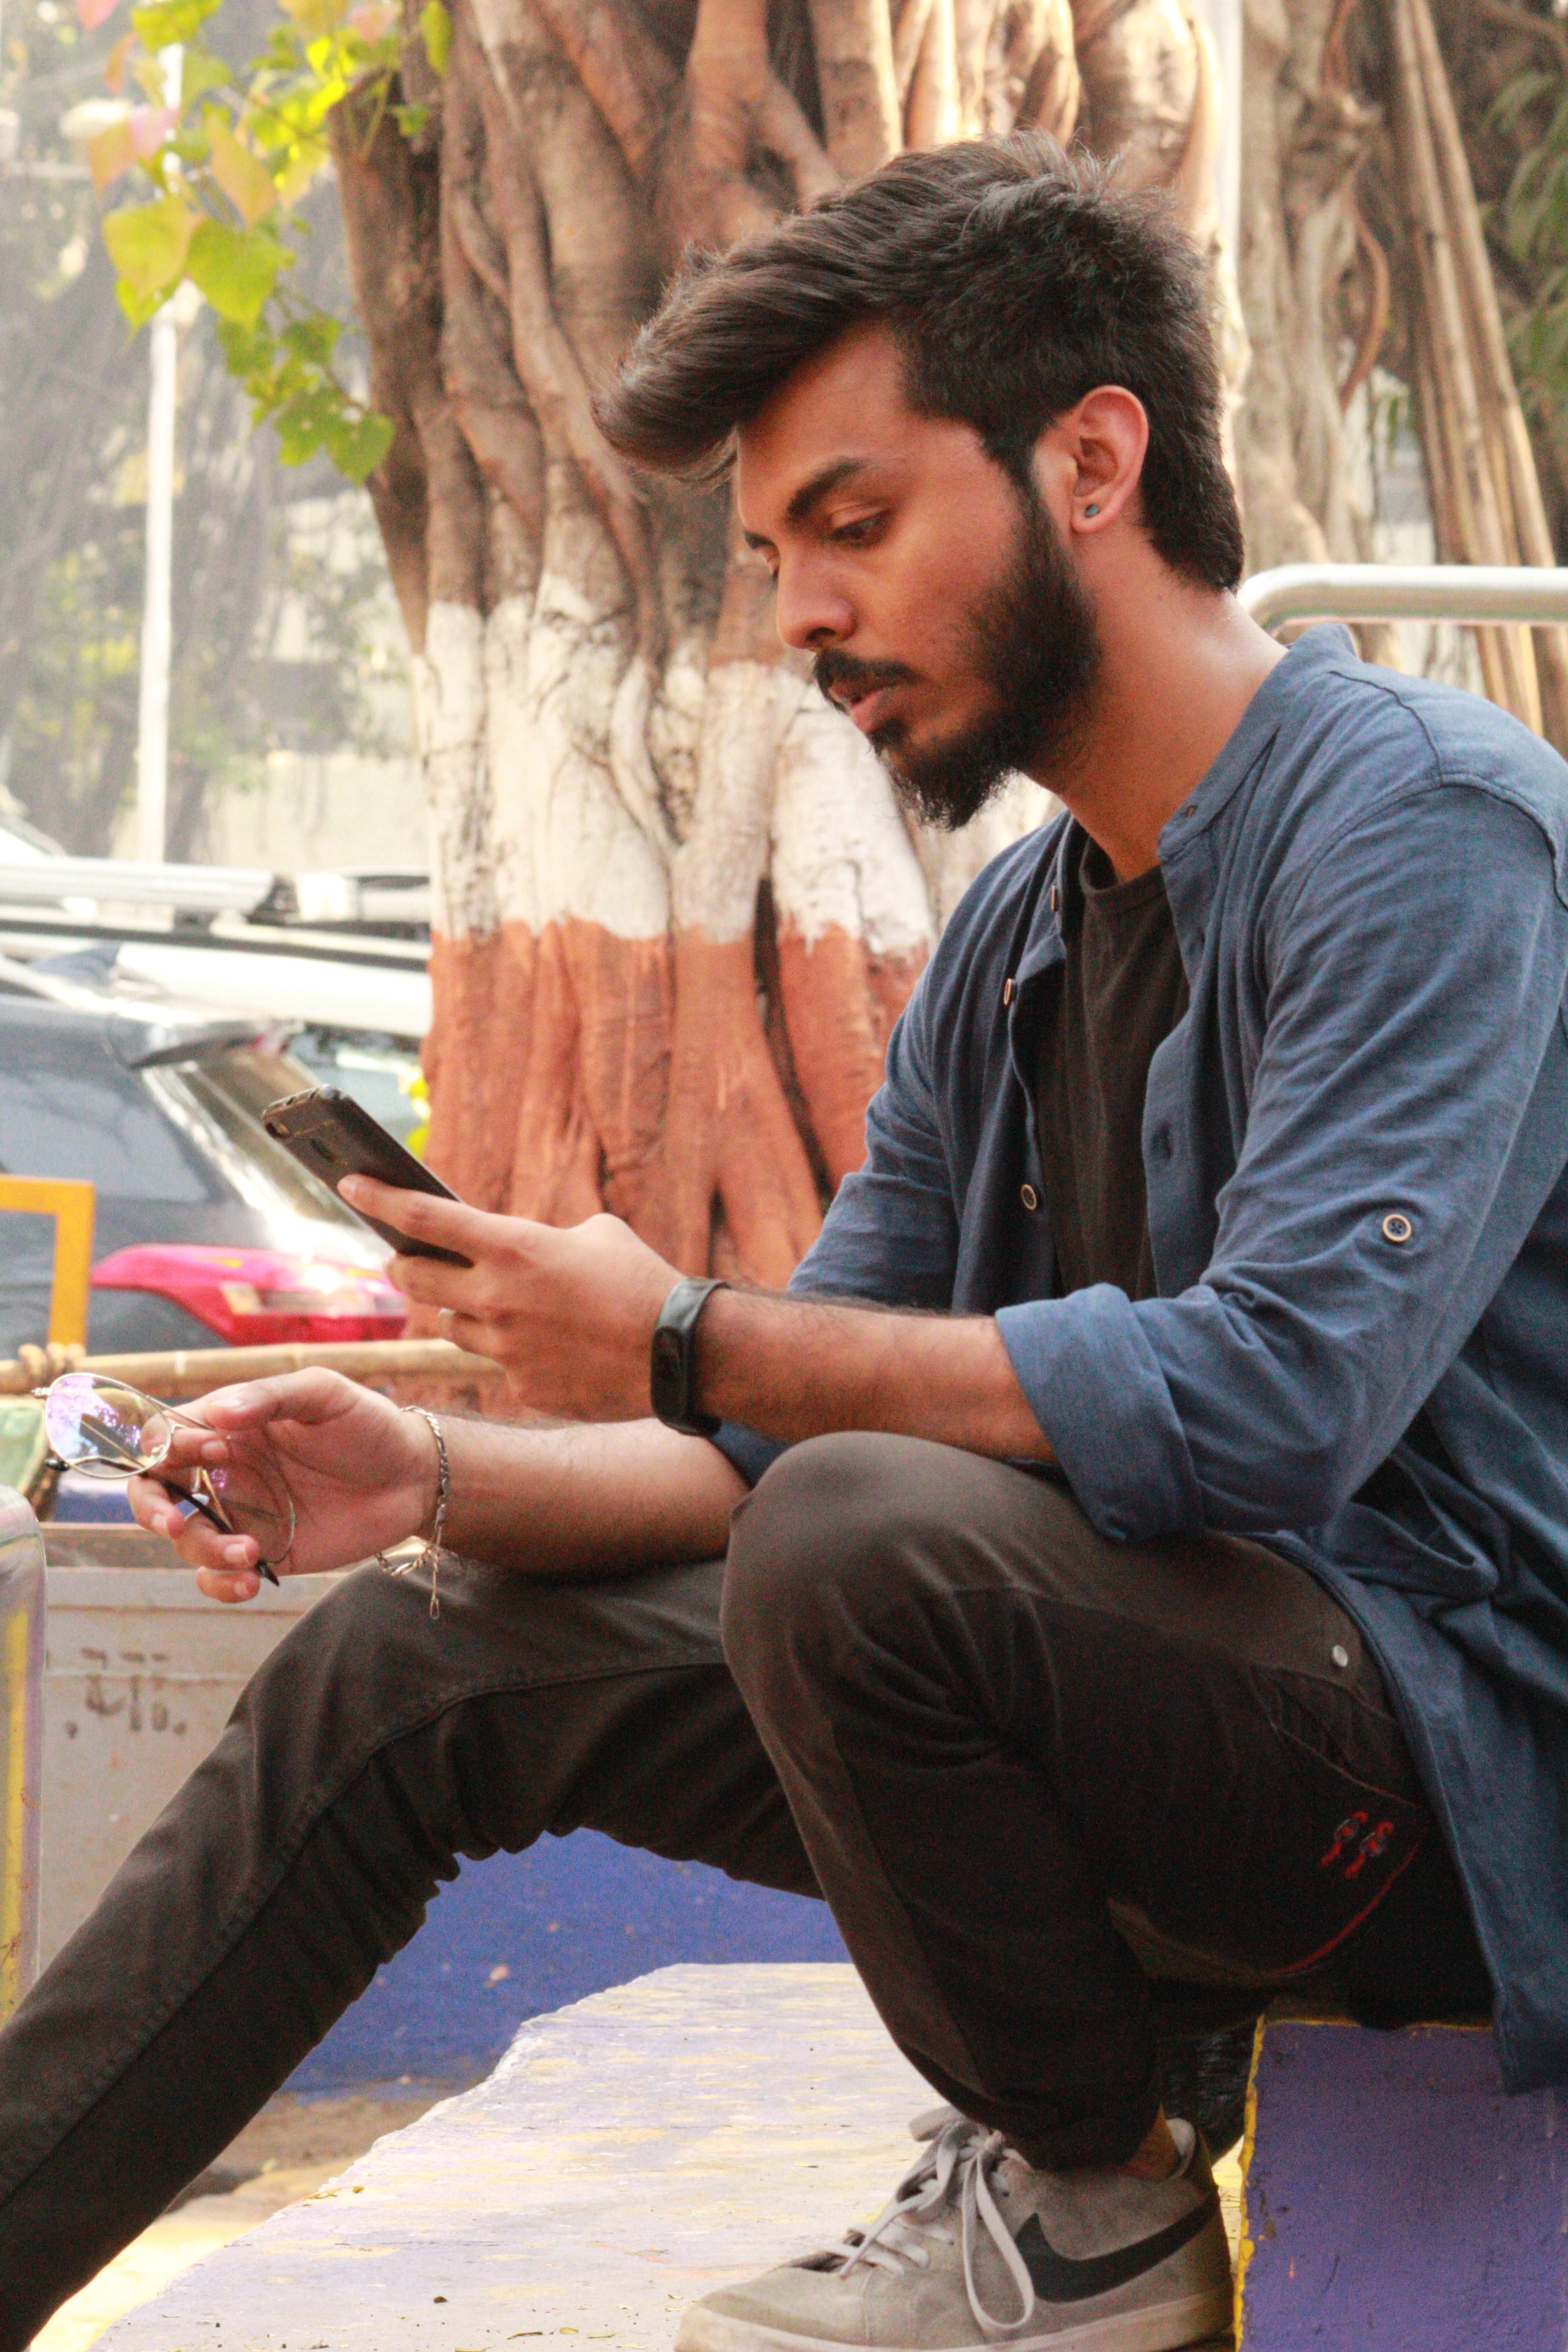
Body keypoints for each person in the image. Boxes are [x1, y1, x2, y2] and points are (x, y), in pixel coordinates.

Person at [4, 131, 1567, 2352]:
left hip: (1458, 1797)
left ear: (1092, 462)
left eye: (854, 522)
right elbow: (762, 1431)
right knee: (410, 1658)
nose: (801, 614)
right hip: (1155, 1719)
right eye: (771, 556)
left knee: (857, 1541)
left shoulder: (1427, 829)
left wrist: (687, 1331)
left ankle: (1089, 2207)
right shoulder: (1018, 941)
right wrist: (428, 1476)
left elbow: (1272, 1404)